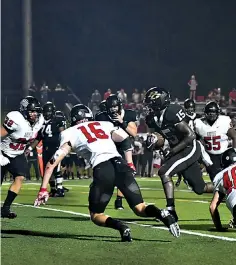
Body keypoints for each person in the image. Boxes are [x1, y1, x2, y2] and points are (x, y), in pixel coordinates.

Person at [33, 104, 180, 241]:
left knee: (96, 215)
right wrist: (129, 162)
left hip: (103, 169)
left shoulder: (69, 132)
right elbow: (125, 140)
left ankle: (122, 227)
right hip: (120, 164)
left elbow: (52, 163)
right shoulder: (104, 124)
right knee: (140, 207)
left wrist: (44, 189)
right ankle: (162, 214)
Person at [144, 87, 213, 221]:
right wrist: (155, 142)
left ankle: (171, 211)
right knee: (200, 188)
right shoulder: (153, 118)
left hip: (189, 148)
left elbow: (191, 135)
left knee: (164, 172)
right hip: (177, 150)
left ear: (159, 102)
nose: (149, 107)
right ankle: (226, 187)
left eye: (151, 103)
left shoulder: (172, 111)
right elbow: (161, 137)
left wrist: (172, 151)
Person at [1, 96, 44, 218]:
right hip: (3, 152)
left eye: (36, 111)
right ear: (24, 110)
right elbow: (1, 133)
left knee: (19, 177)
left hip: (17, 154)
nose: (34, 114)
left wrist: (30, 148)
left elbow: (37, 137)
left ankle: (5, 208)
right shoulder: (16, 119)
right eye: (31, 111)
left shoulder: (39, 122)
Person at [95, 94, 137, 210]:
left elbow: (133, 133)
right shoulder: (101, 116)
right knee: (107, 175)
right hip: (108, 148)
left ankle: (119, 201)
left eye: (115, 107)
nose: (114, 109)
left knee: (123, 174)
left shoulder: (128, 114)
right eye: (111, 107)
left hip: (124, 148)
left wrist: (122, 122)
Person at [28, 102, 67, 197]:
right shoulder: (41, 123)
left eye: (47, 112)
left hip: (56, 148)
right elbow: (38, 138)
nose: (45, 114)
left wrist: (64, 146)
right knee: (47, 170)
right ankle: (53, 189)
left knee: (56, 169)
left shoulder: (57, 120)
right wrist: (29, 148)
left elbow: (63, 134)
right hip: (46, 148)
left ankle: (60, 189)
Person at [194, 101, 236, 180]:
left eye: (213, 112)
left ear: (218, 113)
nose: (211, 114)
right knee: (215, 179)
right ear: (205, 113)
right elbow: (195, 140)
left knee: (230, 177)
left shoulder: (224, 121)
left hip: (225, 154)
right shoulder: (199, 123)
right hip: (210, 156)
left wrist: (235, 152)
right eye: (209, 112)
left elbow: (235, 137)